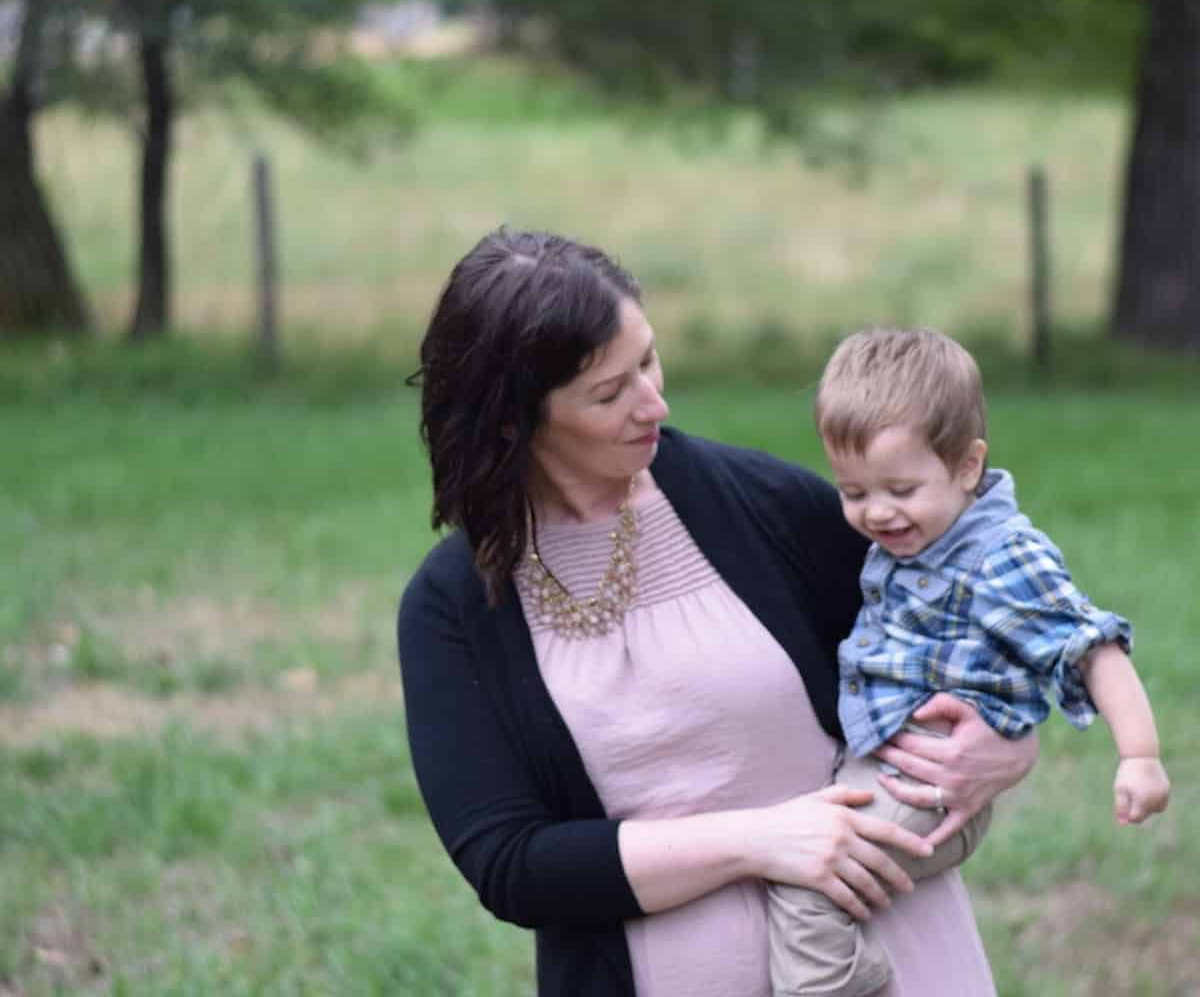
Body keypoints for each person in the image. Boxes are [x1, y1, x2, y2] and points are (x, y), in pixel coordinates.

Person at [397, 229, 1038, 997]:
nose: (654, 403)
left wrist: (1008, 744)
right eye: (610, 392)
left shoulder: (763, 506)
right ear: (513, 421)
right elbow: (510, 864)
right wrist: (758, 841)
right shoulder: (453, 607)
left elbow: (971, 618)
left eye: (649, 360)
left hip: (894, 960)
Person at [766, 326, 1171, 997]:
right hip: (888, 766)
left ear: (967, 466)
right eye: (854, 491)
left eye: (899, 488)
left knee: (812, 882)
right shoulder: (916, 541)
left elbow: (1091, 647)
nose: (876, 513)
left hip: (930, 785)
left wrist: (1140, 756)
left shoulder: (1001, 557)